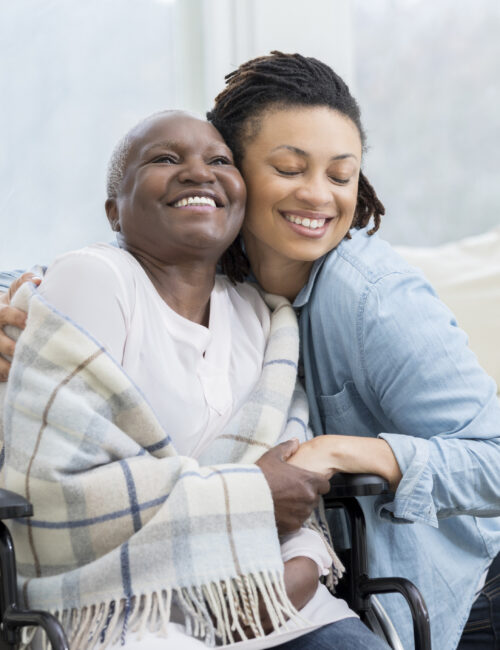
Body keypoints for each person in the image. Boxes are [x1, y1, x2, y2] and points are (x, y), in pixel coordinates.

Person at [0, 110, 390, 650]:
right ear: (114, 211)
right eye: (165, 159)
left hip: (266, 592)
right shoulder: (97, 279)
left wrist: (296, 570)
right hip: (128, 607)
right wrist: (250, 495)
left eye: (219, 161)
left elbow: (293, 487)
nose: (198, 172)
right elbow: (58, 490)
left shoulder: (263, 316)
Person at [205, 52, 500, 650]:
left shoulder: (372, 297)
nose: (318, 196)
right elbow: (90, 267)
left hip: (456, 599)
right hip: (311, 593)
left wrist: (349, 449)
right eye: (290, 168)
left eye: (341, 177)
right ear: (230, 171)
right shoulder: (206, 267)